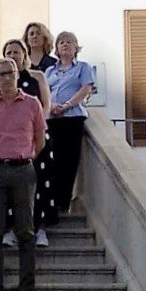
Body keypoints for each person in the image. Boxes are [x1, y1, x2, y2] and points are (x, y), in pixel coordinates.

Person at [0, 58, 46, 291]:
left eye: (10, 73)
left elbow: (39, 138)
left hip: (22, 171)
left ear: (17, 74)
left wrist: (25, 156)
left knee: (26, 231)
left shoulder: (32, 104)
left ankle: (26, 289)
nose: (6, 77)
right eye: (1, 73)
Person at [1, 38, 55, 248]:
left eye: (17, 52)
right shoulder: (2, 81)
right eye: (9, 52)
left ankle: (40, 229)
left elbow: (46, 106)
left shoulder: (37, 76)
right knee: (11, 186)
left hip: (37, 137)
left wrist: (36, 130)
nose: (13, 55)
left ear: (24, 55)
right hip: (10, 142)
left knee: (41, 183)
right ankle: (12, 229)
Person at [45, 31, 95, 214]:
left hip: (73, 118)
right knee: (52, 160)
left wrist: (66, 105)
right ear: (56, 48)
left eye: (69, 42)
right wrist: (51, 106)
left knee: (69, 160)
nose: (65, 45)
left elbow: (86, 89)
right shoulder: (50, 70)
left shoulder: (83, 67)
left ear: (76, 47)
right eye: (61, 42)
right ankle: (51, 201)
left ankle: (63, 202)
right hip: (52, 119)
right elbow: (43, 92)